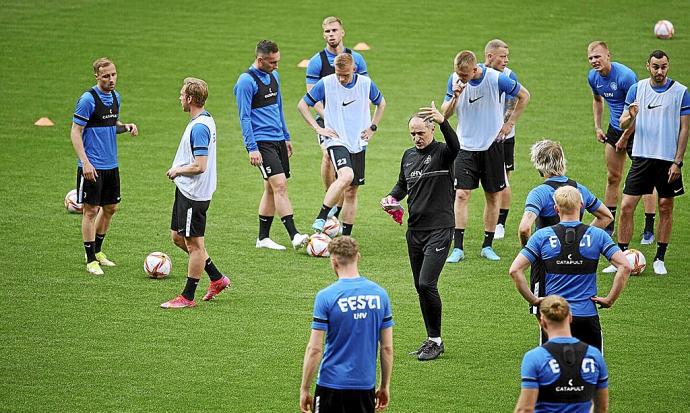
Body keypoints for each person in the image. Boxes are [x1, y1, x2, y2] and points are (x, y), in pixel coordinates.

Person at [381, 102, 459, 361]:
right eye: (412, 133)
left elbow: (456, 146)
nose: (416, 138)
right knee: (420, 286)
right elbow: (402, 185)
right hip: (415, 231)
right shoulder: (408, 156)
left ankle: (436, 340)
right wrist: (390, 199)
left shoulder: (443, 153)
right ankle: (432, 339)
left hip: (440, 229)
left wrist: (444, 121)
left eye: (421, 133)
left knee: (427, 283)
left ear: (432, 130)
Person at [509, 185, 630, 350]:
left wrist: (534, 300)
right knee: (591, 372)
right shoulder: (597, 235)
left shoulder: (541, 236)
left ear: (556, 208)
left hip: (555, 316)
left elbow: (515, 270)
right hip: (587, 316)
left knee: (552, 372)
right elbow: (625, 266)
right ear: (581, 206)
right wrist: (610, 299)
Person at [441, 50, 530, 263]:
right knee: (461, 194)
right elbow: (444, 114)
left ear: (475, 69)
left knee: (492, 196)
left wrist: (510, 123)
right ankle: (458, 247)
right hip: (465, 146)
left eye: (464, 75)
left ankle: (487, 245)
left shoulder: (496, 79)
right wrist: (455, 96)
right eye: (458, 74)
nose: (461, 78)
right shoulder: (455, 81)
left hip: (492, 146)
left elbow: (524, 95)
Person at [616, 49, 690, 275]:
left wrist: (678, 162)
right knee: (627, 206)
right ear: (648, 65)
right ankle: (620, 257)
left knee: (666, 208)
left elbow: (685, 128)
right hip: (642, 157)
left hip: (667, 160)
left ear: (668, 66)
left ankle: (660, 258)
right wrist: (631, 115)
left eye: (664, 67)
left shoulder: (681, 92)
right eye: (656, 67)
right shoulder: (636, 89)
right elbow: (623, 124)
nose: (660, 71)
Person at [299, 236, 393, 413]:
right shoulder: (380, 295)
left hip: (330, 384)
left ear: (333, 261)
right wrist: (384, 385)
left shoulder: (326, 296)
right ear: (358, 256)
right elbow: (387, 348)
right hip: (365, 386)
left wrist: (304, 389)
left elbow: (315, 349)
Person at [518, 140, 613, 314]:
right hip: (577, 263)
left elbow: (525, 228)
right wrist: (583, 236)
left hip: (546, 265)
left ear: (539, 164)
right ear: (562, 161)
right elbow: (606, 216)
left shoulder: (540, 193)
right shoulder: (579, 190)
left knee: (547, 319)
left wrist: (530, 251)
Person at [298, 53, 386, 236]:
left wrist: (372, 127)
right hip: (336, 139)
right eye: (339, 74)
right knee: (346, 175)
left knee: (352, 192)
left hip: (358, 142)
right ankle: (322, 216)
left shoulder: (365, 84)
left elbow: (381, 103)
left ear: (354, 69)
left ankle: (346, 238)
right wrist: (318, 128)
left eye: (345, 75)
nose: (341, 78)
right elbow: (302, 105)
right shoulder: (327, 83)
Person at [160, 78, 230, 309]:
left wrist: (177, 170)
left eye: (182, 95)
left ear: (190, 99)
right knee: (178, 238)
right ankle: (217, 278)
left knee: (194, 245)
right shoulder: (204, 119)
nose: (179, 98)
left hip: (194, 194)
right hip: (186, 190)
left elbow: (200, 165)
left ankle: (187, 297)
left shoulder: (200, 127)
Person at [234, 40, 309, 251]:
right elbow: (244, 117)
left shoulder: (274, 76)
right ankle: (294, 235)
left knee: (270, 188)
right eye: (272, 62)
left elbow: (279, 108)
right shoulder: (246, 82)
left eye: (278, 61)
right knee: (280, 185)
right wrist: (252, 148)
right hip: (261, 141)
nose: (276, 66)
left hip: (277, 139)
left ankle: (263, 238)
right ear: (260, 60)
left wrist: (285, 137)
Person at [70, 57, 138, 275]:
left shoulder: (116, 97)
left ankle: (98, 252)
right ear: (97, 76)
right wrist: (85, 162)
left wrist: (125, 126)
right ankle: (90, 259)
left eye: (114, 74)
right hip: (92, 166)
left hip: (111, 164)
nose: (111, 79)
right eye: (106, 76)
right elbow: (75, 132)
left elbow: (109, 125)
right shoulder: (87, 100)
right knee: (90, 211)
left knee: (110, 208)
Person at [587, 41, 657, 242]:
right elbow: (598, 100)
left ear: (608, 55)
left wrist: (625, 138)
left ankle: (649, 228)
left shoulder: (626, 77)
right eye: (591, 58)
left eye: (598, 56)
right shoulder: (593, 77)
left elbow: (637, 112)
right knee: (612, 177)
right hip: (615, 130)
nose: (594, 61)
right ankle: (608, 224)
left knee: (645, 179)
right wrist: (598, 127)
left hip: (637, 131)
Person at [306, 16, 369, 220]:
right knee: (327, 155)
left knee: (348, 174)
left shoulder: (356, 59)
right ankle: (330, 197)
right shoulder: (317, 62)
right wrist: (330, 116)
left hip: (352, 123)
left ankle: (337, 209)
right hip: (328, 121)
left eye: (334, 30)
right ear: (323, 34)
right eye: (327, 31)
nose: (331, 35)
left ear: (342, 32)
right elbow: (311, 97)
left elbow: (365, 92)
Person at [514, 295, 609, 413]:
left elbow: (525, 409)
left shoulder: (534, 358)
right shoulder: (594, 355)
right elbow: (602, 407)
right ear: (570, 317)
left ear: (542, 321)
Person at [484, 39, 518, 240]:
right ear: (490, 56)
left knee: (503, 180)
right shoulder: (478, 72)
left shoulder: (508, 75)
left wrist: (505, 126)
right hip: (483, 137)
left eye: (507, 56)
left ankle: (500, 224)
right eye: (502, 56)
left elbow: (513, 103)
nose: (506, 60)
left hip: (503, 138)